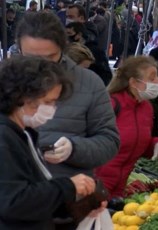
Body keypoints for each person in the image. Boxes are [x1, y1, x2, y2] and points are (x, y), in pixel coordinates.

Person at [16, 12, 120, 228]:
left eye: (48, 58)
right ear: (18, 50)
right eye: (30, 57)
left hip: (70, 211)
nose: (38, 66)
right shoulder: (5, 82)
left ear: (62, 49)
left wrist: (74, 148)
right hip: (14, 209)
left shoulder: (89, 84)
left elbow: (109, 141)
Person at [0, 55, 104, 229]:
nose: (52, 109)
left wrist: (77, 207)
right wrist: (69, 187)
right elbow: (14, 202)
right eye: (48, 102)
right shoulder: (4, 138)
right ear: (23, 97)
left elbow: (34, 194)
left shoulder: (24, 133)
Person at [95, 56, 158, 198]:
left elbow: (138, 142)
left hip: (120, 186)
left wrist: (157, 143)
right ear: (134, 82)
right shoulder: (111, 104)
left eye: (157, 77)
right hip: (97, 184)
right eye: (152, 78)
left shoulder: (146, 108)